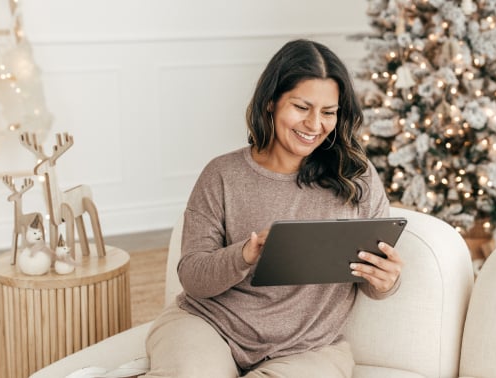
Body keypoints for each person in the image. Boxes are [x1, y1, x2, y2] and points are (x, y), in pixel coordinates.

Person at [144, 39, 404, 378]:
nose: (314, 125)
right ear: (271, 102)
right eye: (301, 107)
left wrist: (386, 281)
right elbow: (193, 277)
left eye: (328, 112)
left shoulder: (356, 177)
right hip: (208, 325)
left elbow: (370, 279)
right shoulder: (222, 174)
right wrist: (245, 256)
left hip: (308, 348)